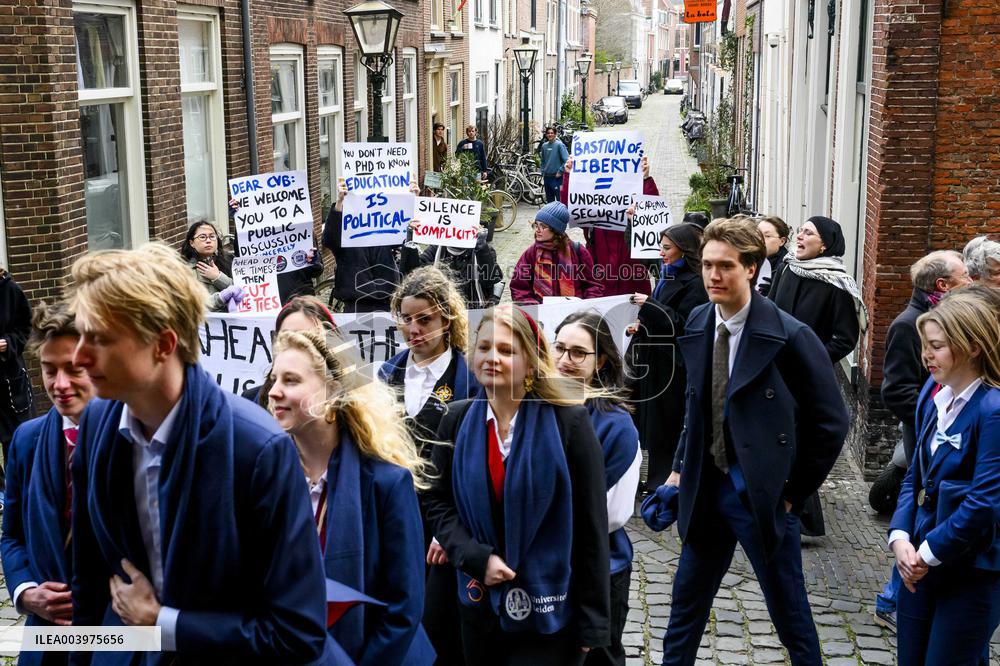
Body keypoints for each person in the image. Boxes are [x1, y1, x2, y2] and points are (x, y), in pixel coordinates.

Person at [68, 243, 343, 664]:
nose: (78, 356)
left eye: (100, 338)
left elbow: (296, 632)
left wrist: (163, 623)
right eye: (81, 334)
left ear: (163, 344)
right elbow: (87, 582)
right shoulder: (97, 425)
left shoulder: (256, 449)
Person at [661, 218, 849, 665]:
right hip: (707, 491)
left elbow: (831, 423)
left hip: (762, 497)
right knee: (684, 611)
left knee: (790, 614)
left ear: (751, 267)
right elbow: (697, 403)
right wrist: (678, 469)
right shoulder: (700, 319)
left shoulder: (790, 335)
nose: (713, 276)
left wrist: (792, 495)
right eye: (707, 265)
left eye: (725, 266)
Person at [423, 305, 611, 664]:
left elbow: (591, 527)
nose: (492, 357)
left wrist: (594, 623)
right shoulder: (456, 420)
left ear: (530, 362)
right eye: (484, 347)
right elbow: (435, 501)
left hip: (552, 610)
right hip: (478, 605)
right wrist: (477, 558)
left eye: (507, 351)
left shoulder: (568, 423)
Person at [269, 328, 436, 665]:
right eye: (274, 379)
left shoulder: (387, 484)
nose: (273, 392)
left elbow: (403, 610)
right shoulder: (266, 480)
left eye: (291, 380)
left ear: (332, 392)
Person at [889, 290, 1000, 665]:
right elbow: (914, 478)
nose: (925, 355)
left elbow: (985, 501)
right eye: (925, 345)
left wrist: (927, 552)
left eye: (936, 346)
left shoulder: (993, 409)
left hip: (972, 570)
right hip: (918, 561)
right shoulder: (933, 395)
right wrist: (901, 538)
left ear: (971, 347)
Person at [379, 266, 481, 665]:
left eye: (425, 319)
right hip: (396, 513)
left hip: (445, 522)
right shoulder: (389, 372)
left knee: (440, 623)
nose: (414, 329)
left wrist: (452, 528)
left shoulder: (469, 379)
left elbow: (473, 461)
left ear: (447, 318)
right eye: (406, 319)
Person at [872, 250, 971, 629]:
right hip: (926, 441)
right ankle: (893, 600)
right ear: (943, 286)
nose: (972, 283)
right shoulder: (907, 325)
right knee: (920, 522)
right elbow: (896, 391)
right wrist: (936, 417)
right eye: (965, 277)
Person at [1, 301, 95, 665]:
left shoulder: (133, 438)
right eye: (48, 369)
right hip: (47, 640)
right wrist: (26, 592)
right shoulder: (28, 439)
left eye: (74, 369)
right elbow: (12, 535)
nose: (60, 385)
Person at [766, 215, 865, 537]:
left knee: (800, 445)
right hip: (775, 371)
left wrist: (810, 361)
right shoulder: (787, 268)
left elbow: (844, 339)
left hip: (807, 379)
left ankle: (799, 516)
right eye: (801, 231)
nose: (800, 236)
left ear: (825, 243)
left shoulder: (836, 282)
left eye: (809, 233)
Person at [553, 311, 641, 666]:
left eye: (578, 353)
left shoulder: (617, 426)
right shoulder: (533, 409)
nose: (564, 360)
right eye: (558, 348)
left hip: (599, 571)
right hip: (544, 570)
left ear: (600, 359)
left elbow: (611, 516)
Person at [626, 223, 708, 492]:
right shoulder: (667, 273)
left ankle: (661, 479)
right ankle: (638, 475)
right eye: (661, 246)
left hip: (669, 363)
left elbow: (683, 324)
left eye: (666, 247)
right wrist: (641, 323)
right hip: (649, 357)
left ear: (684, 250)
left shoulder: (695, 283)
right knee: (643, 419)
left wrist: (649, 306)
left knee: (663, 423)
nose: (660, 252)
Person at [559, 156, 658, 297]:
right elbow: (569, 210)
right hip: (600, 288)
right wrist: (569, 176)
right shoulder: (593, 214)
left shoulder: (632, 210)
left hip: (633, 284)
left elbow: (652, 213)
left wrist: (645, 179)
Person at [323, 179, 417, 312]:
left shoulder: (387, 225)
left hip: (387, 301)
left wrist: (411, 201)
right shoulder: (346, 227)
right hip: (355, 303)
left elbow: (407, 240)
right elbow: (329, 240)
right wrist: (339, 204)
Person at [243, 295, 338, 406]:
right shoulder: (251, 401)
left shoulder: (353, 402)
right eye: (286, 337)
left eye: (309, 337)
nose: (296, 343)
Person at [226, 199, 325, 305]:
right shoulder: (255, 239)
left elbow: (317, 271)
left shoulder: (302, 233)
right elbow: (242, 256)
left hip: (300, 303)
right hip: (269, 303)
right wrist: (240, 222)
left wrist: (313, 260)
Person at [509, 201, 603, 304]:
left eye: (543, 226)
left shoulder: (578, 251)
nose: (537, 230)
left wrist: (584, 308)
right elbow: (519, 288)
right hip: (540, 315)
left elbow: (593, 286)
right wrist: (535, 308)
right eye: (536, 225)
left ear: (556, 230)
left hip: (574, 316)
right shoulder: (531, 253)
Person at [0, 266, 33, 510]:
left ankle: (18, 492)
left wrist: (8, 343)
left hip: (9, 383)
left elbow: (25, 328)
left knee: (15, 438)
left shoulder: (10, 290)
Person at [401, 230, 503, 309]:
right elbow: (413, 276)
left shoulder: (482, 250)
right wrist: (409, 245)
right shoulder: (435, 250)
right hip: (441, 311)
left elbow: (490, 280)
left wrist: (482, 248)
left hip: (473, 312)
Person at [180, 220, 236, 312]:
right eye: (202, 237)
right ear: (191, 243)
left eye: (212, 236)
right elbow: (193, 306)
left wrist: (218, 277)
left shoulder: (229, 260)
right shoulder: (185, 270)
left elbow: (243, 289)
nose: (208, 240)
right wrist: (220, 298)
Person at [755, 216, 790, 297]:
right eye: (757, 234)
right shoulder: (750, 260)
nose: (760, 239)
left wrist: (773, 292)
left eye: (767, 236)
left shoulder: (788, 268)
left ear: (782, 241)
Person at [539, 126, 569, 203]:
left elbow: (566, 160)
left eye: (552, 133)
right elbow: (543, 160)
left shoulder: (559, 145)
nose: (550, 135)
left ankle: (562, 215)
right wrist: (542, 171)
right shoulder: (544, 146)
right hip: (547, 178)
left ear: (555, 134)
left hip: (557, 178)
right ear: (546, 134)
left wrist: (560, 171)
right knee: (549, 202)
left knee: (560, 200)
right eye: (548, 133)